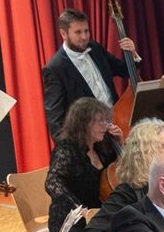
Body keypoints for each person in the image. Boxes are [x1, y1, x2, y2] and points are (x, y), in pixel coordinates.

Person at [44, 97, 121, 232]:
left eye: (106, 121)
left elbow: (120, 172)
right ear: (83, 123)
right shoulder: (67, 149)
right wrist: (78, 207)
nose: (105, 127)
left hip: (96, 216)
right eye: (100, 122)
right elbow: (52, 182)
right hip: (70, 220)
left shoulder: (103, 148)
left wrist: (120, 143)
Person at [42, 8, 139, 139]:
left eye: (86, 31)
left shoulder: (95, 48)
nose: (84, 37)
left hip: (118, 125)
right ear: (64, 34)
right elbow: (55, 120)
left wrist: (132, 54)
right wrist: (73, 150)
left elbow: (123, 70)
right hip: (90, 138)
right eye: (78, 32)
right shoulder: (55, 68)